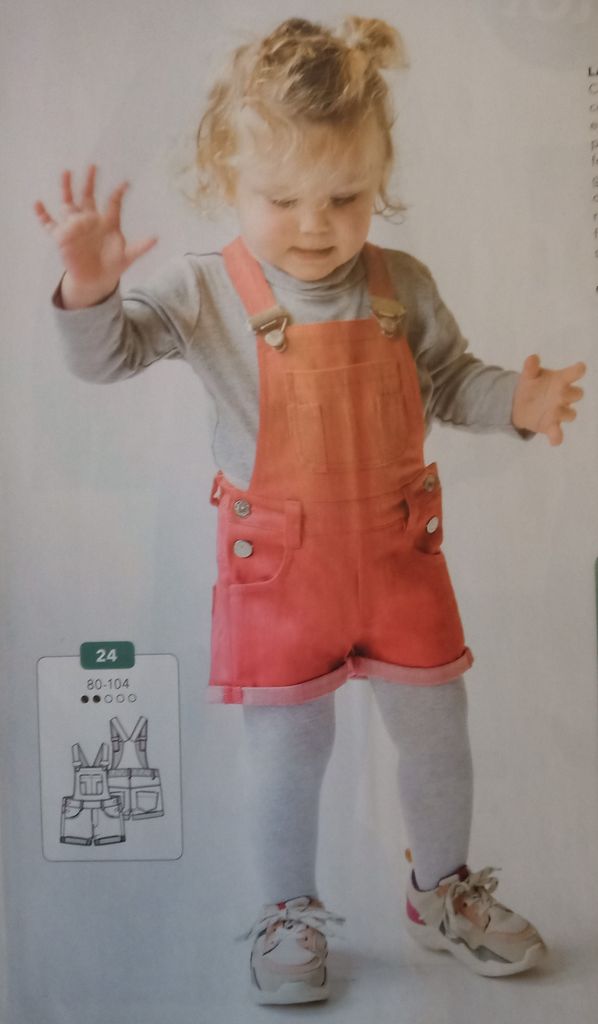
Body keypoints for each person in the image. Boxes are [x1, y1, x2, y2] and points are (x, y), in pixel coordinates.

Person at [34, 16, 585, 1006]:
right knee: (288, 750)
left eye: (345, 196)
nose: (317, 223)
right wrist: (89, 288)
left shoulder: (402, 286)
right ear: (225, 178)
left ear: (380, 179)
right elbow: (108, 357)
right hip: (281, 575)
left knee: (439, 731)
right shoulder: (204, 291)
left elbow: (451, 379)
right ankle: (286, 909)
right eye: (281, 198)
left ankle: (441, 890)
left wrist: (518, 400)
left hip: (399, 560)